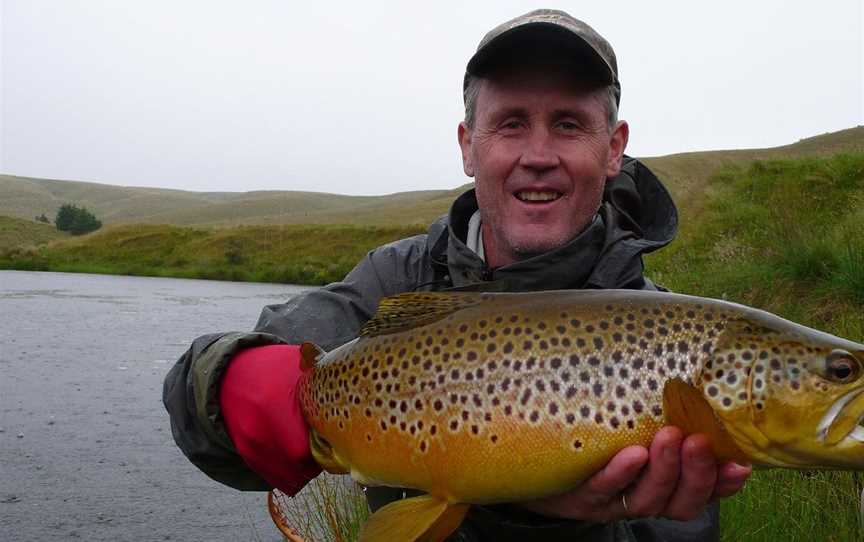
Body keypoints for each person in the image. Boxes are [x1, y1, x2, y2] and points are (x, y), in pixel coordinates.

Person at [163, 9, 751, 541]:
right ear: (469, 146)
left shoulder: (673, 340)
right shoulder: (397, 278)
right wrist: (238, 387)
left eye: (569, 124)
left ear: (614, 147)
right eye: (512, 123)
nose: (539, 153)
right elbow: (193, 402)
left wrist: (537, 517)